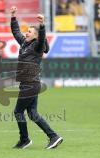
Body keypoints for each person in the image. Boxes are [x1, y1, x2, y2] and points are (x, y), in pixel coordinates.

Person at [10, 6, 63, 149]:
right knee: (32, 113)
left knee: (18, 112)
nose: (26, 33)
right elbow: (16, 32)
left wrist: (42, 25)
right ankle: (53, 137)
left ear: (36, 36)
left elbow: (42, 40)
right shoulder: (24, 43)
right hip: (30, 84)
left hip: (30, 84)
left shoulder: (37, 46)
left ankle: (25, 140)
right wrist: (13, 16)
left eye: (29, 32)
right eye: (26, 31)